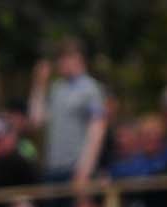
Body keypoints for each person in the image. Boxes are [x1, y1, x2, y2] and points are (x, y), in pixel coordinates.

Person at [29, 39, 108, 185]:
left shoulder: (90, 89)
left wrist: (85, 169)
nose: (59, 64)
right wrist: (39, 85)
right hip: (53, 169)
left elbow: (97, 129)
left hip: (76, 170)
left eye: (63, 58)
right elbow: (36, 121)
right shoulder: (56, 88)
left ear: (78, 58)